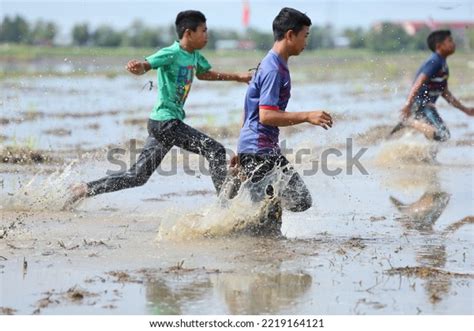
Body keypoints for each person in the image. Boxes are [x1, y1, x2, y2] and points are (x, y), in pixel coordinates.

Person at [64, 10, 251, 208]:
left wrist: (238, 77)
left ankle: (84, 189)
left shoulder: (194, 56)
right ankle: (226, 207)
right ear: (188, 33)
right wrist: (140, 67)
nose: (207, 36)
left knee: (137, 176)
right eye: (203, 31)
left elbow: (205, 74)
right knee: (215, 149)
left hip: (161, 124)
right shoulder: (171, 52)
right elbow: (148, 64)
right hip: (165, 123)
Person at [224, 7, 333, 235]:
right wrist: (306, 116)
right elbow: (265, 115)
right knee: (268, 222)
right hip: (258, 151)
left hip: (260, 150)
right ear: (290, 35)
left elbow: (250, 108)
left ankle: (249, 223)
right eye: (305, 36)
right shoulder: (273, 69)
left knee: (299, 200)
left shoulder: (273, 63)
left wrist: (240, 148)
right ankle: (244, 236)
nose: (306, 42)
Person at [391, 30, 474, 141]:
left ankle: (428, 158)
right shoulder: (434, 62)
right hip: (421, 105)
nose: (453, 43)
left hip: (427, 106)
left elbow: (445, 93)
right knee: (442, 134)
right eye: (449, 41)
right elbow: (418, 83)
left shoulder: (443, 65)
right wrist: (408, 105)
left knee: (436, 137)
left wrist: (465, 110)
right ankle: (409, 122)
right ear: (439, 46)